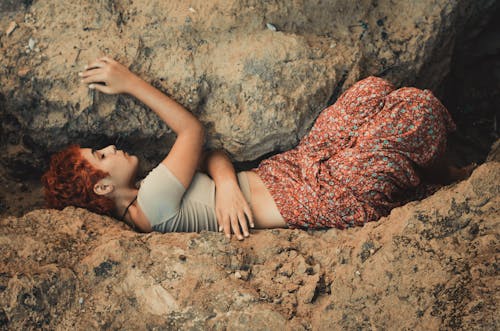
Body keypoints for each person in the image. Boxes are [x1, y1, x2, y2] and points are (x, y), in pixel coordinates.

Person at [41, 56, 472, 240]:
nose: (111, 148)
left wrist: (226, 186)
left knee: (370, 92)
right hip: (317, 197)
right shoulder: (150, 204)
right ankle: (446, 176)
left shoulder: (154, 191)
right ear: (100, 188)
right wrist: (130, 83)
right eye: (99, 157)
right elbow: (192, 132)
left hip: (290, 169)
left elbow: (211, 157)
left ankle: (429, 173)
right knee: (413, 109)